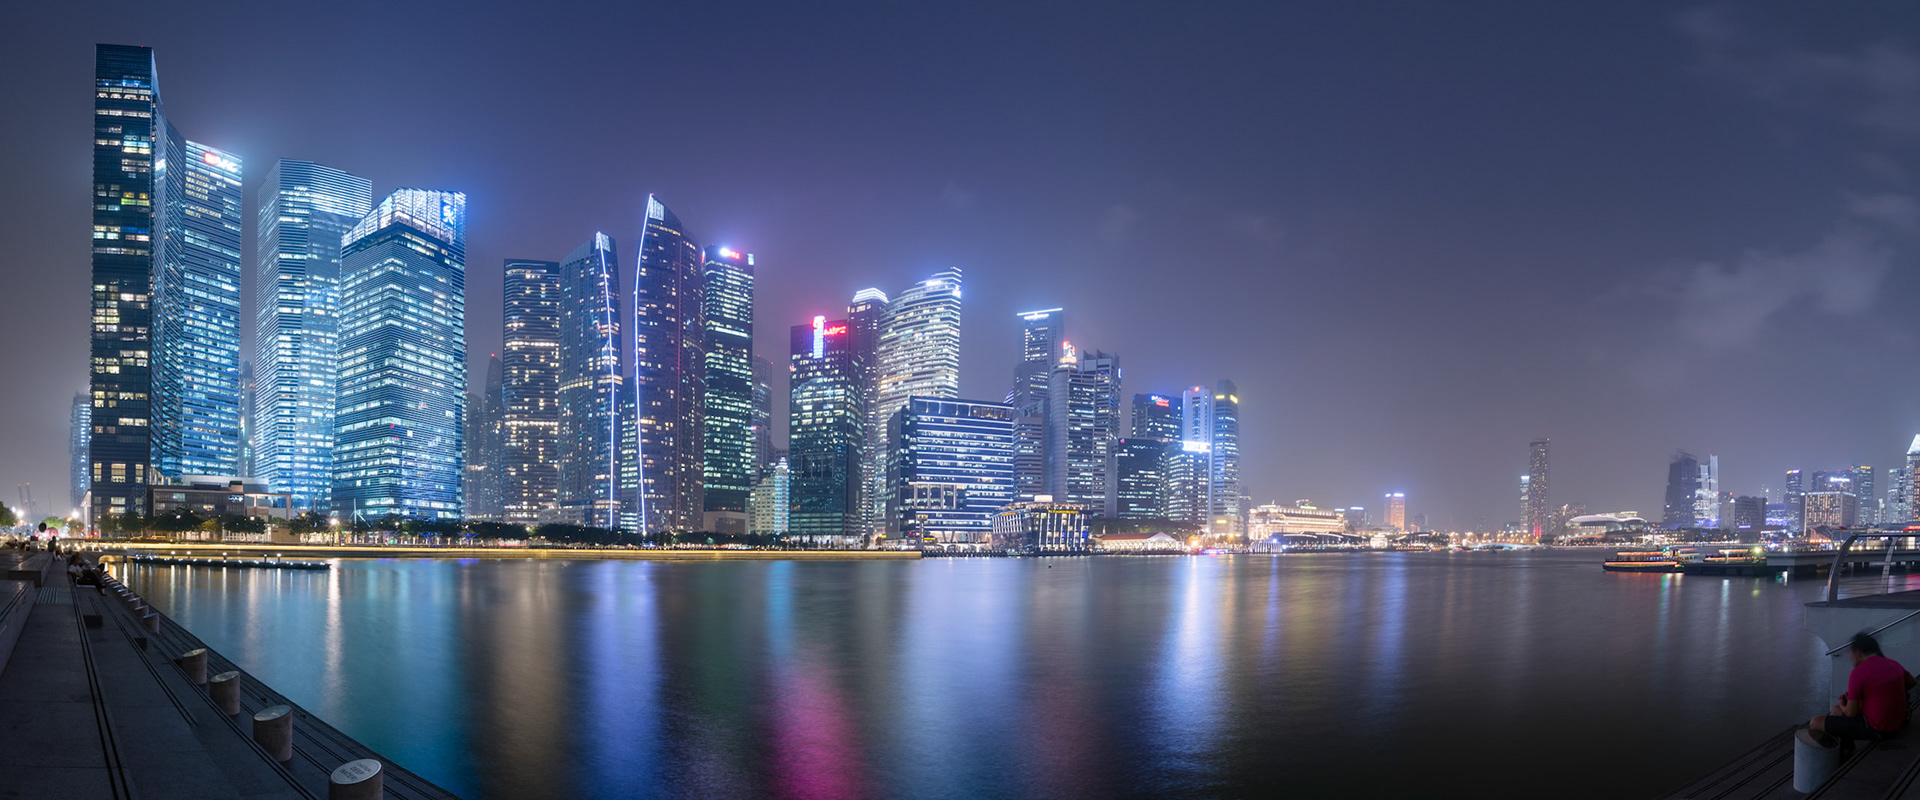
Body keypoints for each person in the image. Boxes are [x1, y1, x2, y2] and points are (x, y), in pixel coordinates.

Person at [1812, 632, 1917, 740]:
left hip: (1879, 729)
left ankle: (1839, 752)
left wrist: (1842, 705)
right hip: (1899, 721)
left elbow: (1850, 714)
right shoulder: (1893, 664)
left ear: (1858, 653)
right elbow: (1912, 682)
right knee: (1836, 710)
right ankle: (1845, 748)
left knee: (1816, 722)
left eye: (1852, 653)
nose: (1851, 657)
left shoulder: (1858, 673)